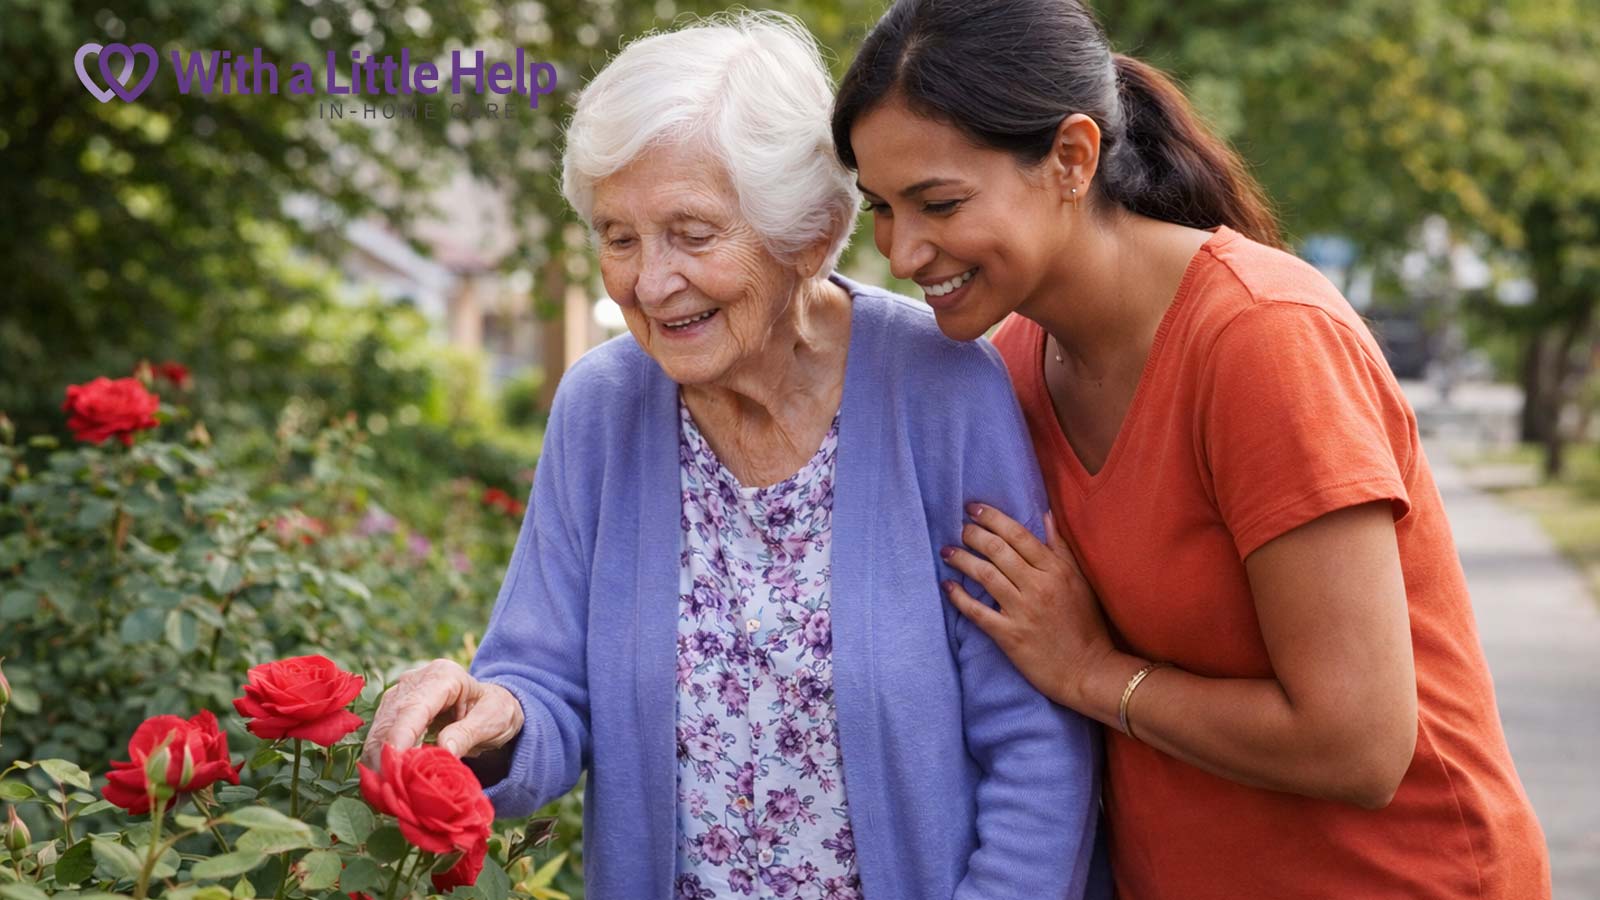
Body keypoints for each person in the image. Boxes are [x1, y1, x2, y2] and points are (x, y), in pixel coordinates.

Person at [362, 12, 1103, 900]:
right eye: (617, 235)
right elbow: (543, 682)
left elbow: (1035, 742)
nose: (647, 281)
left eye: (693, 232)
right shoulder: (603, 409)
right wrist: (491, 718)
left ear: (808, 234)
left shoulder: (942, 392)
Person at [830, 1, 1551, 898]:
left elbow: (1359, 742)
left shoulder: (1261, 340)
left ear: (1071, 158)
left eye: (938, 203)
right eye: (881, 210)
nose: (901, 251)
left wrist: (1094, 672)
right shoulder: (1006, 371)